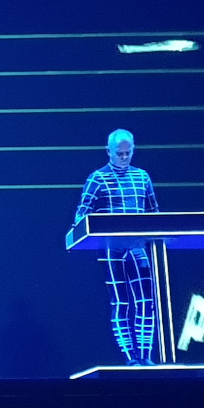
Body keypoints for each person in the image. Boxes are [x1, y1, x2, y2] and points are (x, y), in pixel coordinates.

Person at [74, 129, 161, 366]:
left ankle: (146, 356)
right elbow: (81, 215)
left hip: (138, 247)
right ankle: (130, 358)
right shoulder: (97, 179)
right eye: (119, 153)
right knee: (121, 302)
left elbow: (155, 214)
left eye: (127, 153)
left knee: (146, 302)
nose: (124, 157)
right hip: (111, 249)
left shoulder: (142, 177)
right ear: (109, 151)